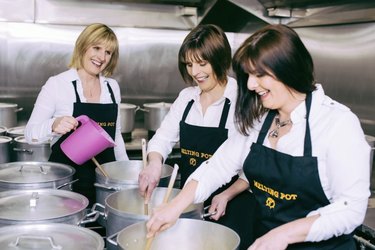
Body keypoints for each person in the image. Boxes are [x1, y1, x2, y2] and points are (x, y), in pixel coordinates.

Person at [145, 24, 371, 250]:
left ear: (288, 68)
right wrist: (175, 206)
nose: (251, 84)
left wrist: (283, 234)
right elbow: (217, 166)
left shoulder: (337, 123)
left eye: (259, 74)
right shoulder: (260, 120)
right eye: (249, 75)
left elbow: (350, 208)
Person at [138, 24, 255, 249]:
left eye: (202, 63)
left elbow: (248, 163)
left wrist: (227, 194)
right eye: (189, 64)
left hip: (232, 205)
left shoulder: (242, 99)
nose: (195, 72)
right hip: (190, 204)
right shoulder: (187, 98)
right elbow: (162, 138)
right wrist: (154, 164)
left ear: (219, 59)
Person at [24, 23, 129, 206]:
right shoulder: (57, 84)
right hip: (67, 185)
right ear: (83, 46)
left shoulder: (112, 87)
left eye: (108, 52)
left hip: (104, 183)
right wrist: (53, 125)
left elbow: (116, 135)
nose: (101, 57)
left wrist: (126, 174)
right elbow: (30, 133)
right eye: (96, 48)